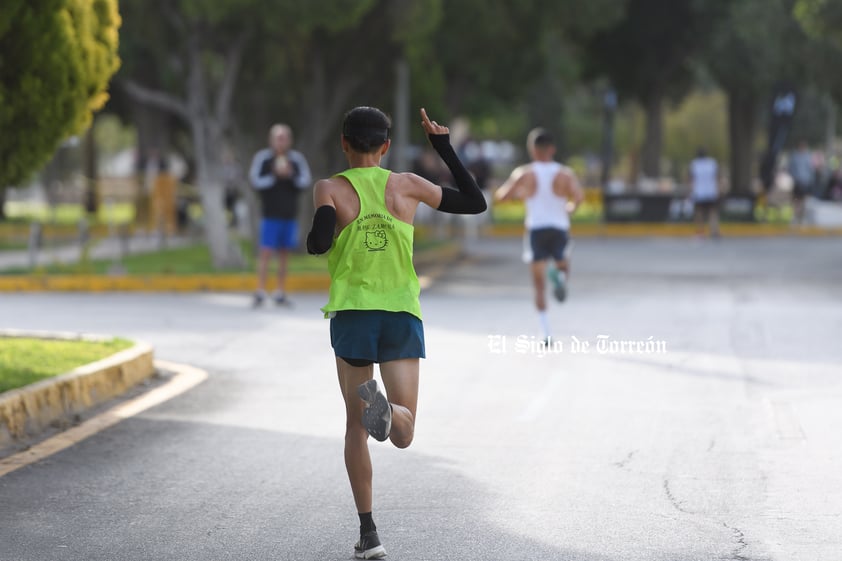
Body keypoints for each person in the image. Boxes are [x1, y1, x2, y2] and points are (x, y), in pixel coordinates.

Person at [306, 106, 486, 559]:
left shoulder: (330, 188)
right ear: (385, 147)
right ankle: (391, 412)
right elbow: (474, 201)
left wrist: (328, 221)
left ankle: (369, 535)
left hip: (353, 315)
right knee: (404, 432)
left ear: (344, 144)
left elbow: (317, 244)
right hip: (401, 314)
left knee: (354, 426)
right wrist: (441, 145)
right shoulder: (406, 185)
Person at [494, 128, 583, 343]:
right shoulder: (565, 174)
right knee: (563, 264)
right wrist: (569, 208)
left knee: (538, 284)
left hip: (536, 228)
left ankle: (546, 332)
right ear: (552, 149)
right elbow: (578, 198)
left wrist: (520, 194)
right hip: (559, 227)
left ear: (532, 149)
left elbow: (501, 196)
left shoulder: (524, 173)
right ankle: (560, 276)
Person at [249, 124, 312, 307]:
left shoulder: (296, 160)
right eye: (278, 137)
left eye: (284, 137)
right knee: (266, 252)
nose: (281, 141)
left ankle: (280, 291)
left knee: (285, 254)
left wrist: (290, 175)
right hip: (270, 215)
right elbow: (256, 181)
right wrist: (274, 176)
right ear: (271, 139)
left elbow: (304, 181)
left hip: (289, 215)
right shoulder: (263, 159)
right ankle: (260, 291)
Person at [689, 148, 720, 238]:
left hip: (699, 192)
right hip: (711, 191)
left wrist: (691, 190)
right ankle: (714, 231)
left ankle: (700, 231)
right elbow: (716, 177)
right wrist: (718, 189)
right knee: (712, 212)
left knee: (699, 212)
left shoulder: (694, 164)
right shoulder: (712, 163)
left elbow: (691, 179)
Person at [788, 140, 814, 225]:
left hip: (805, 182)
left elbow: (810, 170)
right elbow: (791, 168)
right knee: (796, 200)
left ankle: (802, 218)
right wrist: (794, 178)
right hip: (797, 181)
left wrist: (810, 180)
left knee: (804, 200)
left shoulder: (808, 156)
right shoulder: (795, 156)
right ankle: (796, 216)